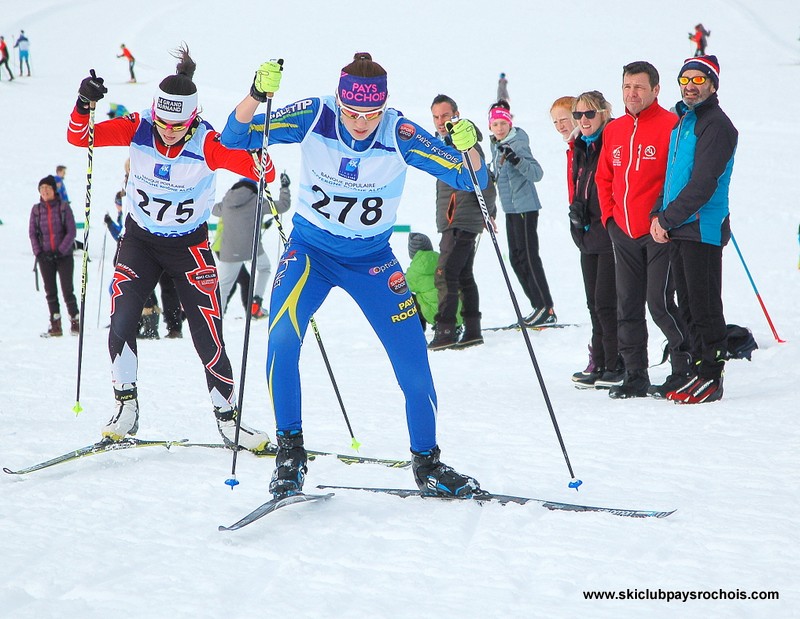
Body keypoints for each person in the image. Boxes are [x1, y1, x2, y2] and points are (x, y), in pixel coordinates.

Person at [221, 52, 486, 499]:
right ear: (339, 102)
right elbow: (235, 138)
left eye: (371, 114)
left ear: (384, 107)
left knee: (414, 366)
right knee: (282, 339)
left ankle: (428, 464)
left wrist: (470, 143)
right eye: (352, 113)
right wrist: (256, 95)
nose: (361, 123)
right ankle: (291, 453)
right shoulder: (314, 114)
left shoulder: (400, 132)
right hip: (311, 252)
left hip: (372, 260)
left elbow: (468, 176)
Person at [67, 44, 273, 450]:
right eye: (162, 121)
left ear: (193, 118)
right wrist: (83, 103)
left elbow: (257, 168)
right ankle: (126, 408)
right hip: (140, 242)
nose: (167, 130)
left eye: (177, 125)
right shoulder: (138, 125)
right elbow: (81, 138)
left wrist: (260, 159)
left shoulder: (208, 140)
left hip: (188, 247)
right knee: (122, 320)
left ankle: (228, 419)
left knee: (207, 333)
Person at [595, 61, 692, 399]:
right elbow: (604, 177)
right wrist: (609, 220)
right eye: (626, 86)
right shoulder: (614, 129)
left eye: (638, 87)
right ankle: (635, 374)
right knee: (628, 305)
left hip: (660, 232)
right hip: (622, 231)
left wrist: (663, 219)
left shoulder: (672, 127)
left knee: (660, 303)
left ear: (655, 90)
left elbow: (678, 180)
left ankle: (685, 367)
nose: (631, 93)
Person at [651, 55, 737, 404]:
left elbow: (703, 184)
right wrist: (659, 212)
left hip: (700, 227)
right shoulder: (683, 122)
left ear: (713, 85)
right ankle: (699, 370)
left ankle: (712, 377)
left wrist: (667, 218)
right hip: (678, 227)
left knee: (703, 305)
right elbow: (672, 177)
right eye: (685, 79)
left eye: (699, 80)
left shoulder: (716, 125)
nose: (690, 85)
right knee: (685, 303)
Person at [428, 94, 497, 350]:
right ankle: (472, 329)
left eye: (445, 115)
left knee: (445, 275)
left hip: (461, 220)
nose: (439, 121)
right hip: (455, 220)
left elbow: (486, 183)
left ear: (456, 114)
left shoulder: (464, 142)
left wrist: (489, 213)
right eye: (436, 117)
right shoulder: (444, 143)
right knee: (464, 275)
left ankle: (446, 329)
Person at [567, 92, 623, 389]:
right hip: (587, 233)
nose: (584, 120)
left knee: (606, 302)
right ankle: (600, 361)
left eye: (589, 114)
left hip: (609, 232)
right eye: (578, 115)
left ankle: (617, 362)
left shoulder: (611, 140)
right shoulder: (581, 146)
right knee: (593, 303)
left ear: (603, 113)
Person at [488, 100, 556, 326]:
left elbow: (537, 173)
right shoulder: (495, 145)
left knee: (528, 256)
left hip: (526, 208)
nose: (499, 128)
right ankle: (537, 306)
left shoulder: (517, 144)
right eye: (495, 124)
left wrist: (517, 160)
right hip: (511, 209)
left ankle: (545, 307)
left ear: (510, 123)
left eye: (503, 123)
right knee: (516, 259)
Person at [212, 171, 291, 319]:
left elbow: (214, 210)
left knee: (223, 287)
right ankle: (257, 300)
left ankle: (216, 319)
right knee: (265, 268)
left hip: (229, 250)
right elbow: (283, 206)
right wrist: (284, 188)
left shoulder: (226, 202)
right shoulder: (258, 201)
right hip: (252, 248)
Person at [29, 175, 79, 337]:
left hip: (63, 256)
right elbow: (33, 234)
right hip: (45, 257)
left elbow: (71, 232)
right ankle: (55, 323)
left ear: (53, 190)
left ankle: (75, 321)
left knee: (67, 289)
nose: (45, 191)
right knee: (50, 290)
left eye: (47, 188)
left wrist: (61, 250)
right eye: (42, 189)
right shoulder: (36, 210)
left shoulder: (64, 208)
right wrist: (39, 252)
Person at [405, 231, 463, 332]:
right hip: (458, 312)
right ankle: (457, 327)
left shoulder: (414, 271)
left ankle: (418, 332)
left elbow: (406, 285)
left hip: (437, 316)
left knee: (408, 299)